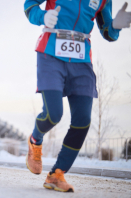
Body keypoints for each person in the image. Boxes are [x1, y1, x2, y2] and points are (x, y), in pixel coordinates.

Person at [24, 1, 131, 192]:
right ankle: (35, 141)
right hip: (50, 53)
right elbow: (29, 5)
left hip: (82, 60)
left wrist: (115, 26)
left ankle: (57, 174)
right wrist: (42, 17)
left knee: (82, 120)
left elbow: (107, 31)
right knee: (53, 114)